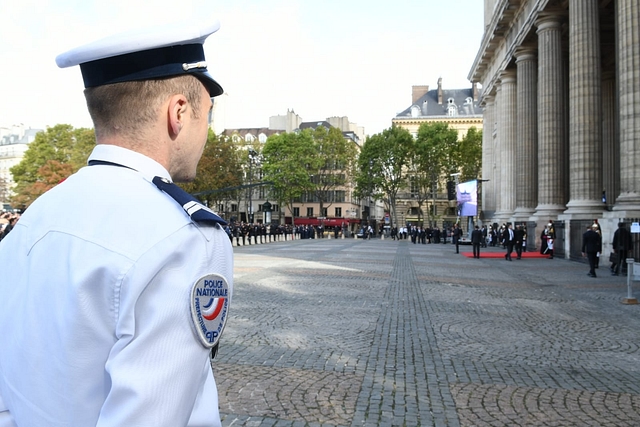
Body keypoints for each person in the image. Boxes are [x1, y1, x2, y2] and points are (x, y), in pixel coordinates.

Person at [0, 18, 233, 426]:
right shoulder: (185, 238)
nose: (206, 133)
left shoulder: (37, 215)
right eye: (206, 116)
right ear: (178, 112)